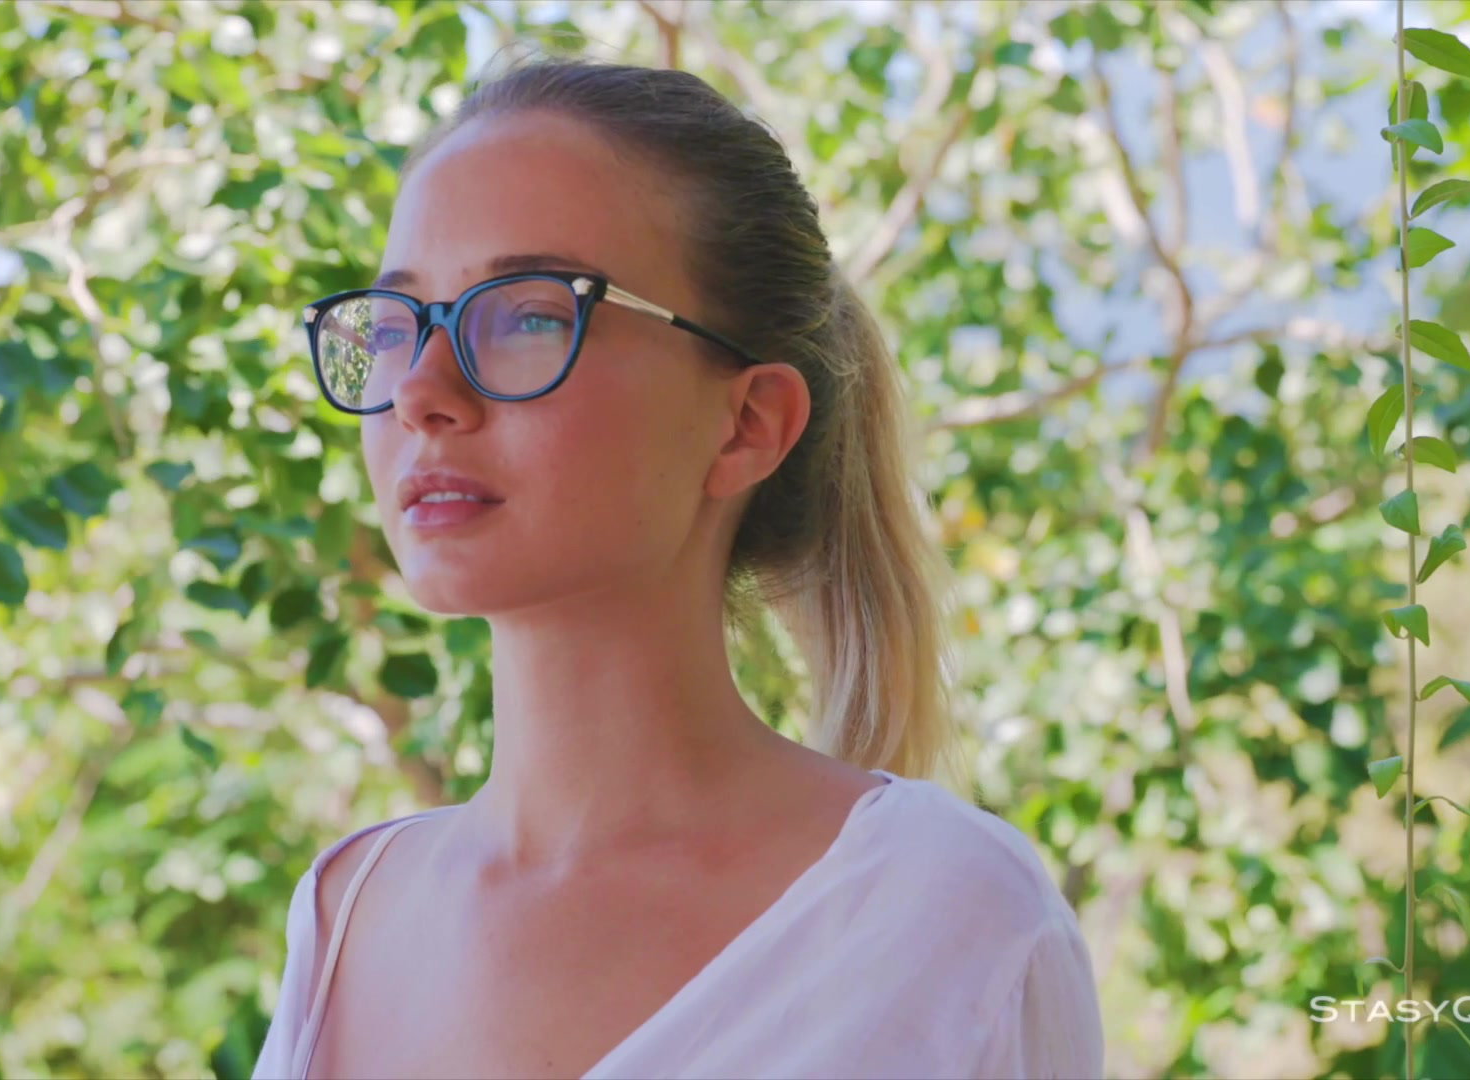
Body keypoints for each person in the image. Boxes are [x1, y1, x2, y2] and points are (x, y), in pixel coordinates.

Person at [253, 55, 1103, 1080]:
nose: (421, 392)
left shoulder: (947, 919)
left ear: (747, 425)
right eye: (395, 326)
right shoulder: (346, 914)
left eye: (529, 316)